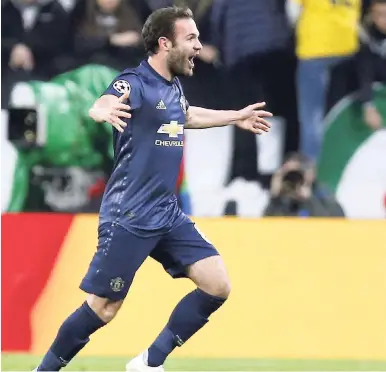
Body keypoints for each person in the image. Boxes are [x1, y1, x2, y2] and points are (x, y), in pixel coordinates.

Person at [34, 6, 272, 372]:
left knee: (216, 284)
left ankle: (149, 362)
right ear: (165, 43)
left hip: (166, 213)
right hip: (128, 214)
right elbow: (106, 101)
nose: (198, 45)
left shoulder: (172, 87)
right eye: (190, 38)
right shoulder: (136, 82)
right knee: (104, 308)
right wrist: (103, 110)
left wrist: (235, 116)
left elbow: (186, 115)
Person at [357, 0, 386, 130]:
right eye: (378, 15)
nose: (383, 20)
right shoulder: (368, 37)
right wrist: (368, 106)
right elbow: (365, 72)